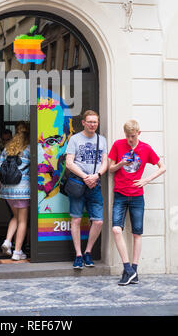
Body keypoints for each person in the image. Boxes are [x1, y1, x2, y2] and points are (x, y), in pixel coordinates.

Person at [108, 119, 166, 285]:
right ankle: (128, 269)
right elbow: (110, 169)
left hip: (137, 196)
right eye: (127, 136)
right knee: (116, 230)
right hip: (120, 193)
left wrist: (146, 180)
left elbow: (163, 167)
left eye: (132, 136)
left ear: (138, 134)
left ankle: (134, 270)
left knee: (137, 233)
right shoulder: (118, 145)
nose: (130, 140)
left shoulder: (145, 148)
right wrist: (121, 163)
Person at [66, 110, 108, 269]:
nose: (92, 125)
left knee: (98, 221)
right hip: (78, 183)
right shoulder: (75, 139)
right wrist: (85, 176)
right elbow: (69, 163)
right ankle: (78, 255)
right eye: (90, 122)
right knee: (76, 219)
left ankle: (88, 252)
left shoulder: (102, 140)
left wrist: (96, 175)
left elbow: (105, 162)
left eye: (95, 122)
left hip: (95, 184)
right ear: (83, 122)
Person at [0, 121, 30, 261]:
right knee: (23, 221)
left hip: (8, 190)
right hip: (22, 190)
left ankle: (7, 241)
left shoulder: (7, 148)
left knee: (15, 217)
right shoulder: (29, 148)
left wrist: (1, 185)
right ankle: (17, 252)